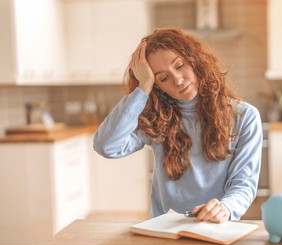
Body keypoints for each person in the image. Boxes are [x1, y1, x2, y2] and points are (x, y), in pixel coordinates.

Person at [93, 28, 262, 223]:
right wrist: (143, 87)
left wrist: (226, 207)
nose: (178, 80)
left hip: (217, 229)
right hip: (163, 232)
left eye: (179, 65)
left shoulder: (245, 116)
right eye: (163, 78)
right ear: (158, 87)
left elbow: (244, 184)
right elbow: (106, 146)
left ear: (194, 60)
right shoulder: (157, 119)